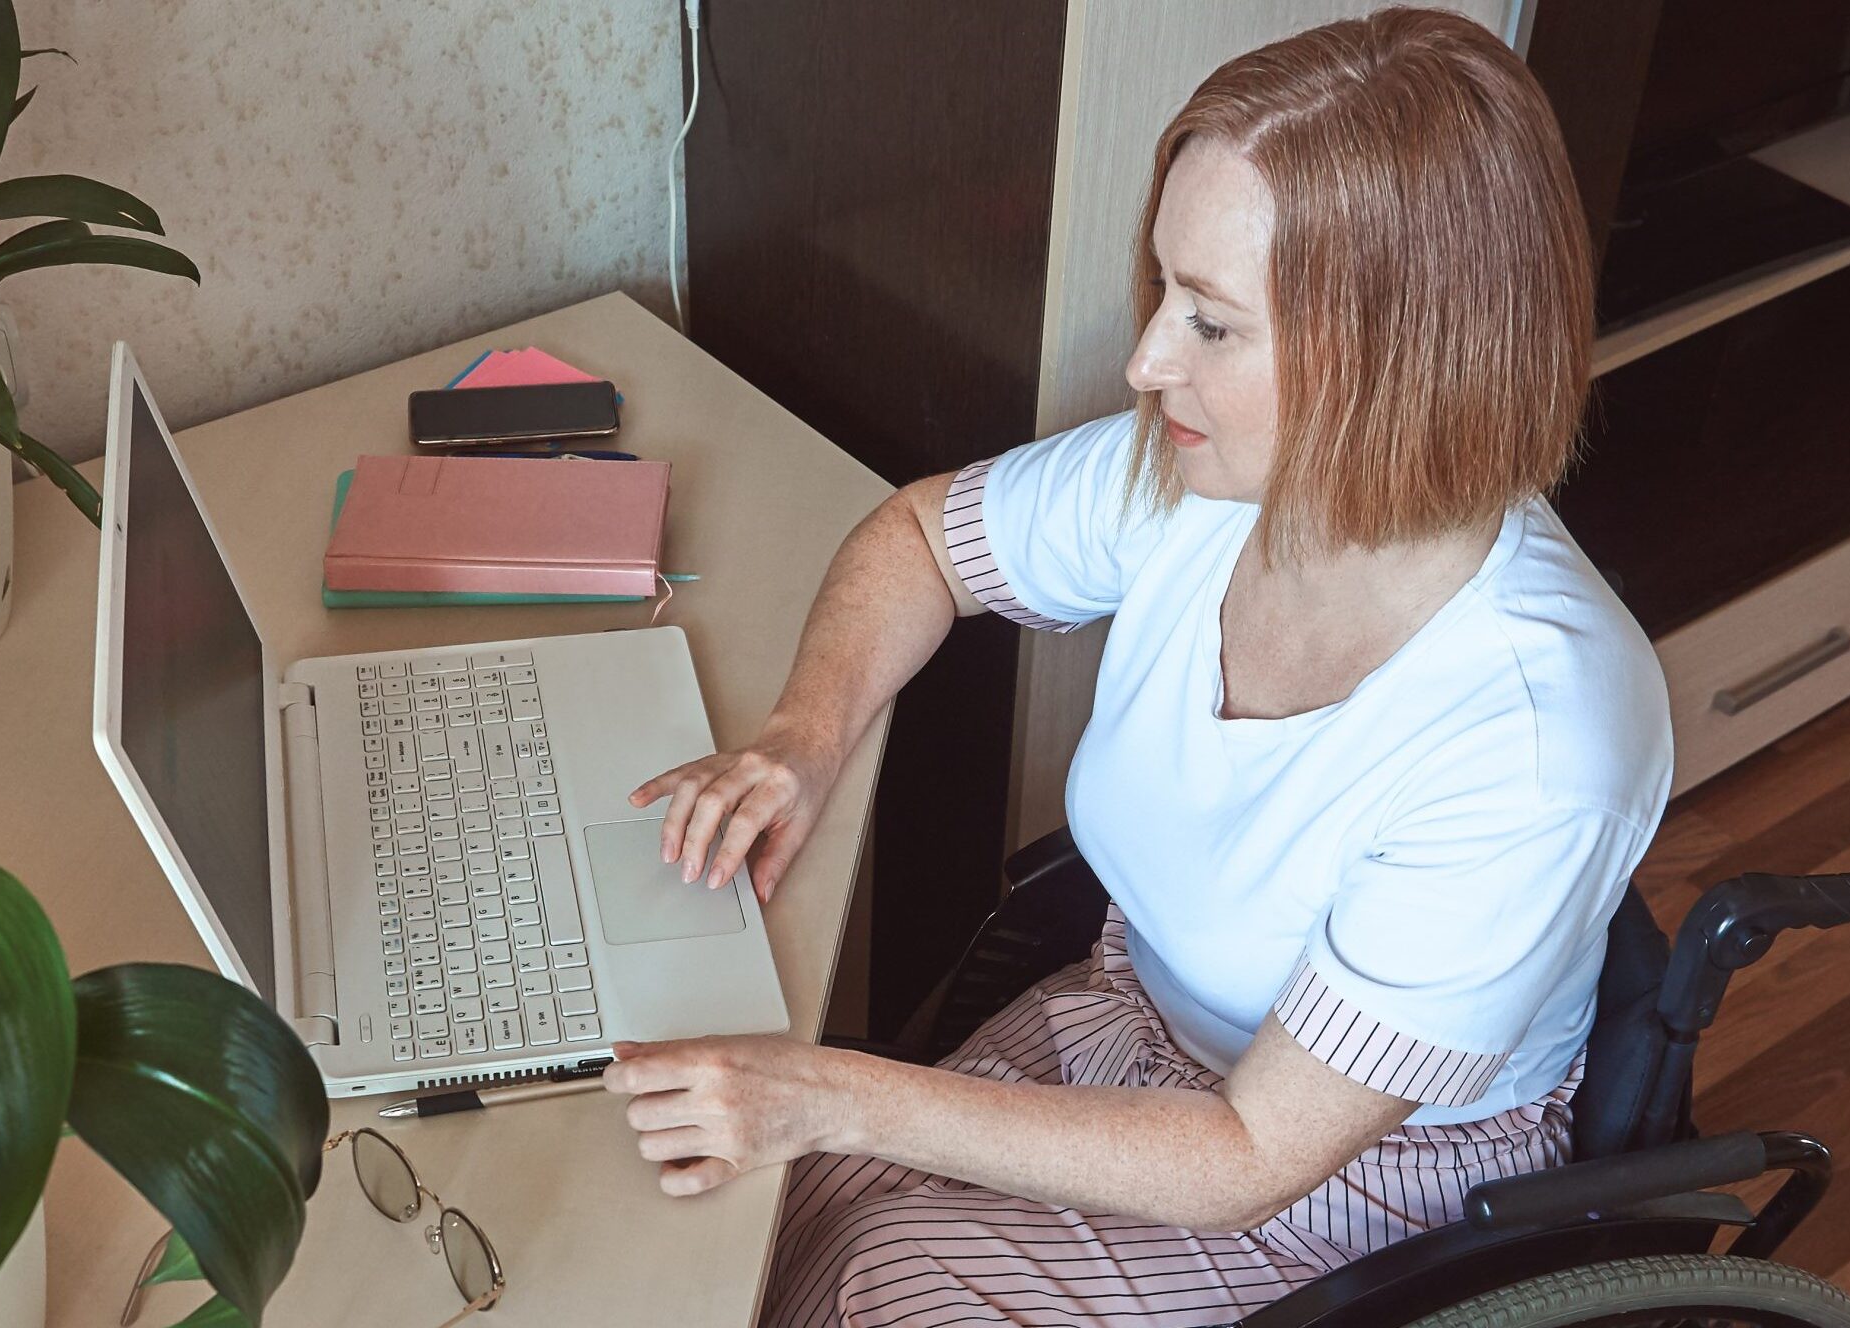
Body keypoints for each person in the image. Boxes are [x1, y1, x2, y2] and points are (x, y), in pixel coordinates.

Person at [601, 8, 1673, 1325]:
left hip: (1366, 1180)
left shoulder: (1535, 739)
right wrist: (804, 738)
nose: (1146, 359)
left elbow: (1253, 1157)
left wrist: (820, 1086)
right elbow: (920, 540)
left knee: (878, 1280)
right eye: (1167, 291)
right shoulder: (1203, 480)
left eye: (1211, 325)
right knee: (756, 1231)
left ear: (1395, 356)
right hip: (1134, 1020)